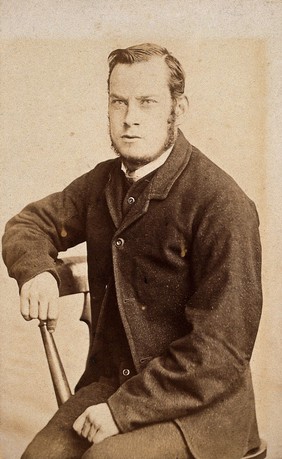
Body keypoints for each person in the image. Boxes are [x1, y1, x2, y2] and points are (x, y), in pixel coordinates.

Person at [2, 43, 263, 459]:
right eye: (118, 102)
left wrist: (122, 412)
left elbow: (221, 352)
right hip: (116, 382)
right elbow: (28, 224)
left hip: (201, 407)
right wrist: (37, 271)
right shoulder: (104, 183)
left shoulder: (221, 203)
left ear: (177, 109)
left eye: (147, 102)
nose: (130, 118)